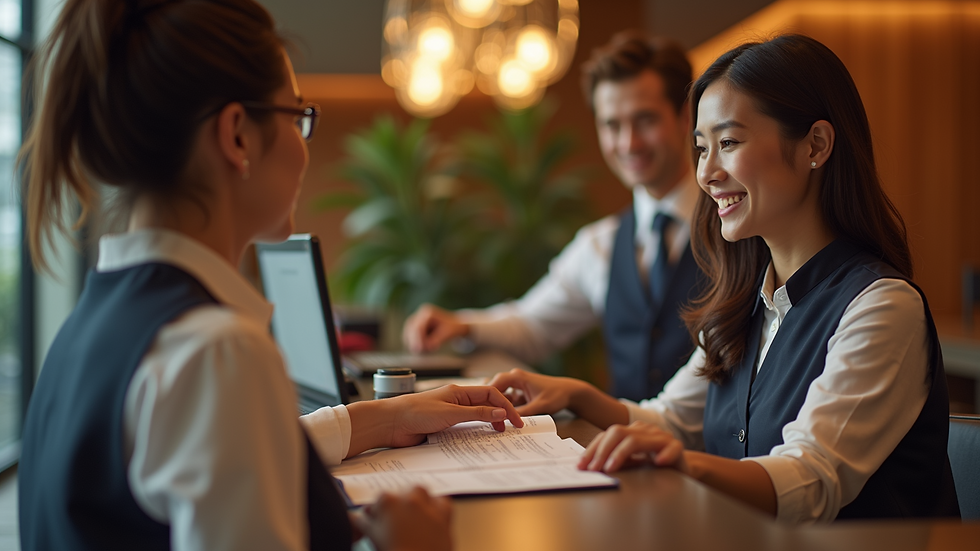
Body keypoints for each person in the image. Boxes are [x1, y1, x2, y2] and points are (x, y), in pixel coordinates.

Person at [16, 1, 523, 550]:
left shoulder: (93, 327)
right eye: (297, 116)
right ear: (237, 136)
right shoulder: (216, 351)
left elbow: (206, 458)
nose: (304, 149)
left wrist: (381, 418)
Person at [489, 34, 961, 522]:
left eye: (729, 143)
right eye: (701, 148)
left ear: (815, 145)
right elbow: (674, 421)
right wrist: (577, 393)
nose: (706, 173)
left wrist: (685, 466)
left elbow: (811, 478)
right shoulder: (744, 301)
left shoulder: (881, 306)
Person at [403, 31, 705, 402]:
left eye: (645, 120)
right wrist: (461, 324)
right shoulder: (602, 244)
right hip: (621, 450)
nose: (628, 143)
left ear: (685, 114)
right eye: (612, 125)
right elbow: (532, 325)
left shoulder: (737, 227)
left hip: (718, 456)